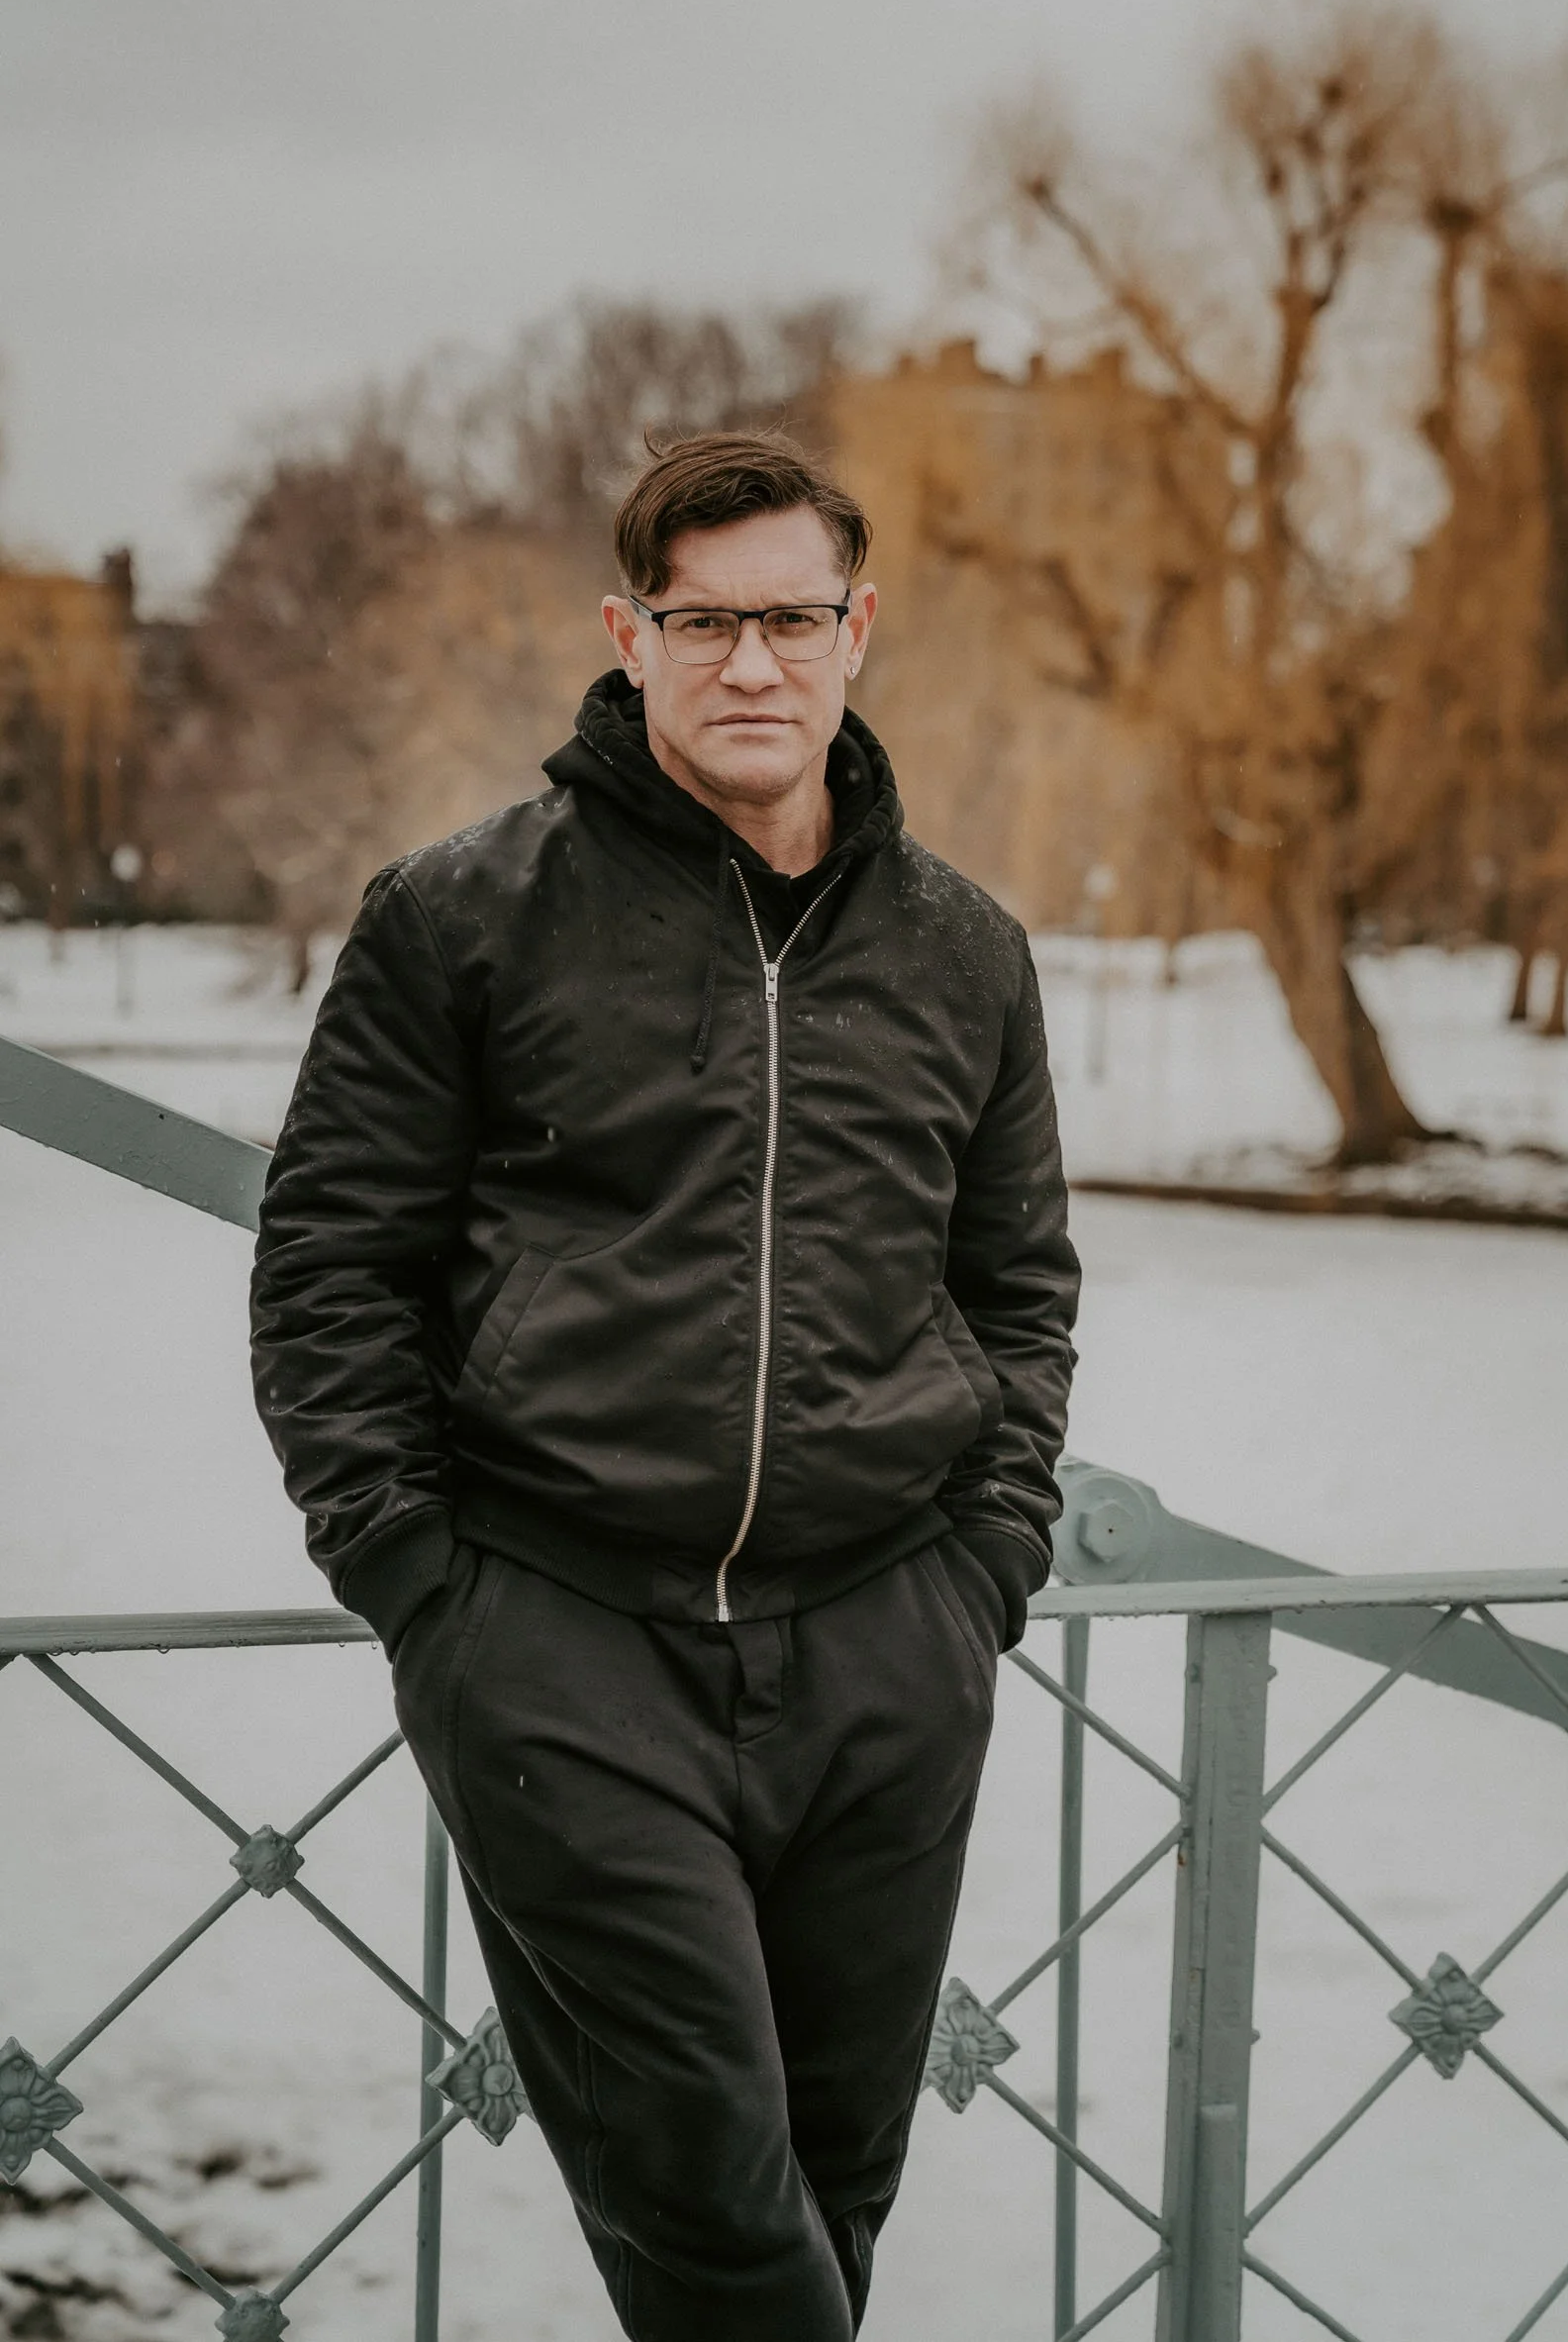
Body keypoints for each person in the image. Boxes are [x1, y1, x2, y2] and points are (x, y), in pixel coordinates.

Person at [250, 430, 1079, 2340]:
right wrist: (422, 1585)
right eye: (703, 625)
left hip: (887, 1641)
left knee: (829, 2191)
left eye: (792, 618)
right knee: (711, 2207)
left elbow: (1016, 1286)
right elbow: (329, 1269)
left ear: (859, 628)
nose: (751, 667)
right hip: (563, 1644)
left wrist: (984, 1567)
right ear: (628, 637)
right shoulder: (460, 914)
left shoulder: (965, 952)